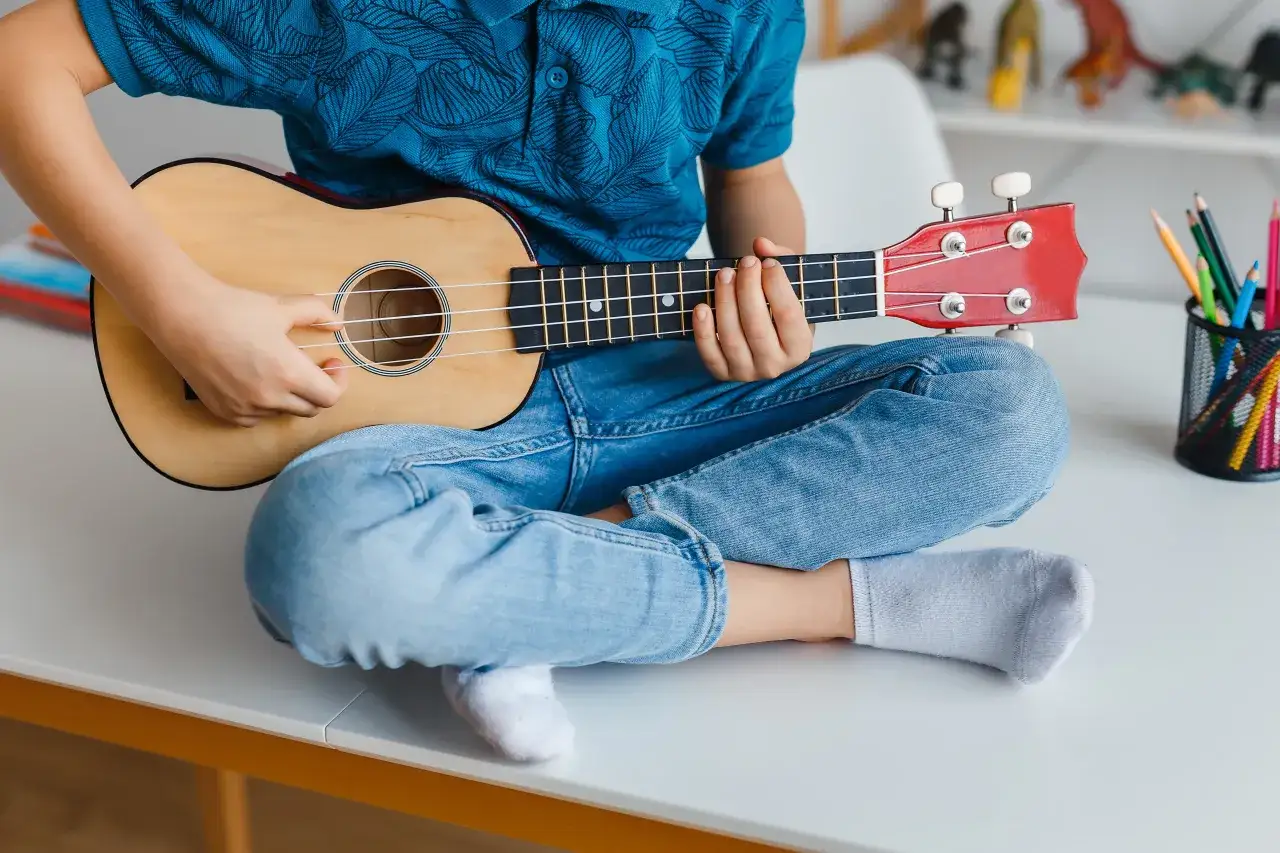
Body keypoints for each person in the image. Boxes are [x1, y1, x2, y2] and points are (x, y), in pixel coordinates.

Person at [0, 0, 1093, 763]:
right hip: (426, 434)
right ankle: (851, 604)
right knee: (313, 555)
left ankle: (534, 603)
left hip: (666, 391)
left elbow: (753, 184)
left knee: (1009, 411)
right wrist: (176, 303)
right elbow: (21, 58)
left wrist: (772, 301)